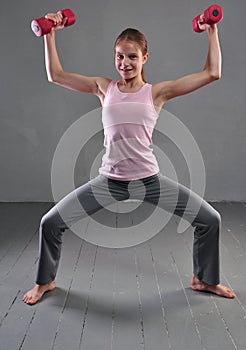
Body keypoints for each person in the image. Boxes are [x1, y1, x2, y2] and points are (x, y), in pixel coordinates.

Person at [23, 11, 235, 305]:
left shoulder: (157, 93)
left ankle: (204, 279)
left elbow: (213, 72)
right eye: (120, 57)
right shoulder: (103, 88)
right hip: (109, 181)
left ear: (145, 58)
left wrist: (211, 29)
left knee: (209, 220)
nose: (125, 64)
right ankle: (45, 281)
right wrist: (50, 34)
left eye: (132, 57)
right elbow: (55, 75)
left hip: (150, 181)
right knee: (51, 223)